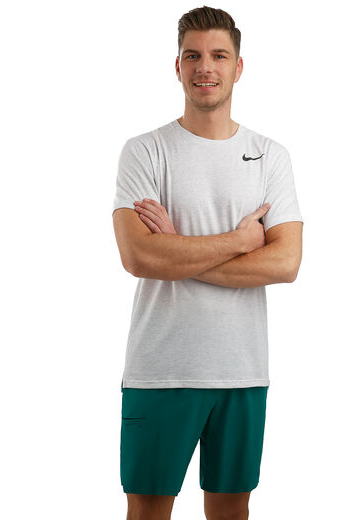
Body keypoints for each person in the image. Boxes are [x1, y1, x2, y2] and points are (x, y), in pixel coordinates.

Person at [111, 6, 304, 520]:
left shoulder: (270, 156)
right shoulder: (145, 152)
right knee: (147, 513)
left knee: (231, 513)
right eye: (193, 55)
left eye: (219, 55)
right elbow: (139, 255)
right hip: (161, 371)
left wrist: (178, 248)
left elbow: (285, 263)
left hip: (242, 370)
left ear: (238, 67)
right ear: (177, 66)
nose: (205, 67)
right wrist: (241, 241)